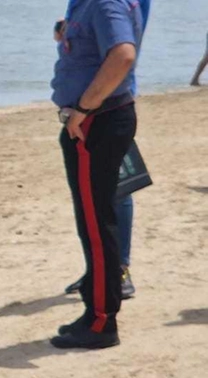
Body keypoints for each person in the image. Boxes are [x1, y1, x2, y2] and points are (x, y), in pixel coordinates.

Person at [49, 0, 142, 350]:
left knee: (96, 220)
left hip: (97, 121)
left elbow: (123, 55)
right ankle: (95, 310)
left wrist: (84, 108)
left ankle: (103, 320)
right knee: (91, 219)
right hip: (91, 120)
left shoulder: (105, 3)